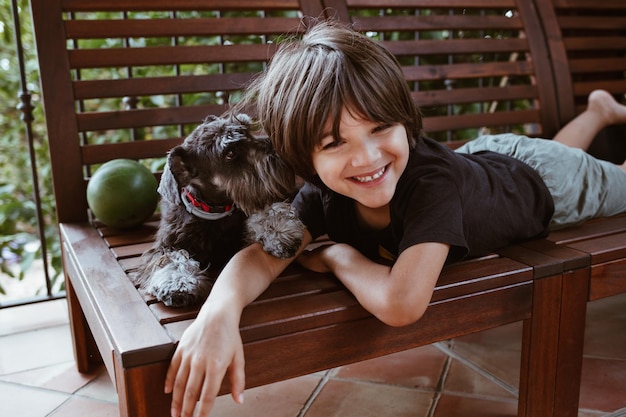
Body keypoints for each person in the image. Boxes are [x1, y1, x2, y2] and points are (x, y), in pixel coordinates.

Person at [164, 20, 626, 417]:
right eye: (333, 143)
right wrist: (219, 312)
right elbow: (261, 259)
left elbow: (402, 304)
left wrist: (339, 257)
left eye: (381, 127)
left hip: (548, 186)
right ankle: (600, 111)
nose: (366, 158)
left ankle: (605, 138)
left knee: (613, 181)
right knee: (555, 153)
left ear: (404, 119)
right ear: (303, 159)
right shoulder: (322, 191)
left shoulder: (429, 186)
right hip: (491, 160)